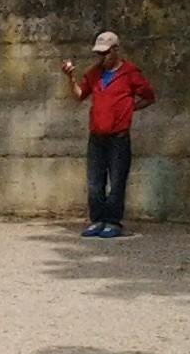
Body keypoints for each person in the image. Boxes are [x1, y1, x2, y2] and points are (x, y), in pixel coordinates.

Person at [61, 31, 155, 238]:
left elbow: (149, 96)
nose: (102, 57)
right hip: (96, 136)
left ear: (115, 50)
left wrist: (130, 108)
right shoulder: (94, 73)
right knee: (95, 182)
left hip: (118, 137)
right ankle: (98, 220)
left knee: (117, 181)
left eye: (105, 53)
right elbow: (79, 95)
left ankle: (113, 221)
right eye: (99, 53)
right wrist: (70, 78)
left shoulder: (130, 73)